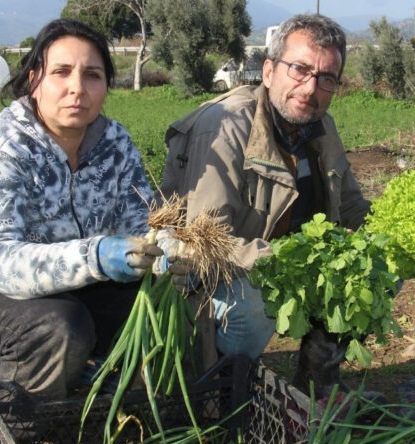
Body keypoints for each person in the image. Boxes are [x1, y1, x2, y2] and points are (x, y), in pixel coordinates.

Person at [0, 19, 163, 399]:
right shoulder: (3, 148)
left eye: (92, 75)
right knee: (59, 329)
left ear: (105, 87)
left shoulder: (114, 143)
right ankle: (19, 434)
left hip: (70, 286)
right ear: (35, 79)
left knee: (163, 309)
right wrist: (94, 256)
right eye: (61, 72)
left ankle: (128, 417)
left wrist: (164, 255)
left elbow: (141, 222)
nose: (76, 89)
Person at [158, 14, 374, 394]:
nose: (310, 88)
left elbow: (353, 205)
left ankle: (317, 383)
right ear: (270, 71)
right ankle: (224, 389)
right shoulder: (224, 127)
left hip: (285, 265)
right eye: (300, 69)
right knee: (255, 306)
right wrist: (289, 263)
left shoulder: (321, 129)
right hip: (211, 278)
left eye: (326, 78)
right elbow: (205, 243)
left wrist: (393, 236)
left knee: (374, 269)